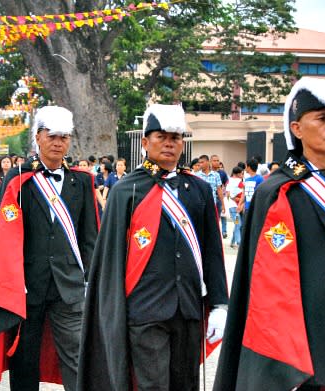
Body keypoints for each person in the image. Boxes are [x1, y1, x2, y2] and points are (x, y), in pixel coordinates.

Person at [214, 77, 325, 390]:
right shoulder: (279, 192)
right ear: (296, 128)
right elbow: (265, 285)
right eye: (322, 119)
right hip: (303, 345)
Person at [78, 104, 228, 391]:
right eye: (162, 137)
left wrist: (220, 304)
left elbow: (212, 252)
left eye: (176, 137)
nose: (170, 143)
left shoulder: (197, 189)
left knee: (185, 385)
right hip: (145, 309)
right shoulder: (126, 190)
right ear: (145, 142)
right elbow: (112, 258)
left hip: (188, 308)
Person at [0, 106, 99, 389]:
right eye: (51, 136)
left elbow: (90, 237)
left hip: (69, 285)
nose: (58, 142)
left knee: (76, 355)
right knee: (24, 357)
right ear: (37, 138)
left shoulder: (83, 181)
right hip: (27, 287)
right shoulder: (18, 180)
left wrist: (89, 278)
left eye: (64, 137)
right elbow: (4, 236)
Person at [195, 154, 224, 219]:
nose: (200, 164)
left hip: (212, 204)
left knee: (213, 225)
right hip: (200, 205)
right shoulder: (196, 175)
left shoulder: (216, 175)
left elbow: (219, 190)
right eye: (199, 163)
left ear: (208, 162)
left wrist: (223, 204)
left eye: (202, 162)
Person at [226, 166, 244, 249]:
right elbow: (244, 192)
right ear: (238, 174)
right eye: (241, 173)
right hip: (235, 207)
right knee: (238, 224)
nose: (242, 175)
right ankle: (239, 242)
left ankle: (233, 242)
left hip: (233, 206)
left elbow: (228, 194)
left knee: (237, 224)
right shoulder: (238, 181)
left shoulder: (229, 181)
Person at [211, 154, 229, 239]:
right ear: (210, 162)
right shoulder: (206, 173)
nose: (216, 162)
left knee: (217, 218)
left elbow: (224, 185)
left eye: (218, 160)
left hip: (218, 198)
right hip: (209, 199)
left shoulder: (222, 173)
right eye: (214, 160)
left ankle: (219, 234)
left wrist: (223, 203)